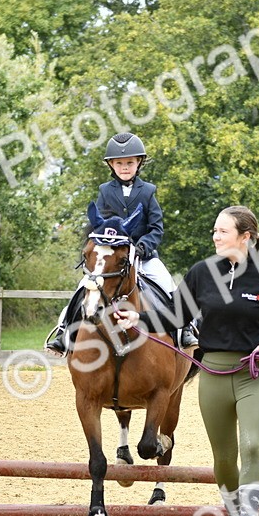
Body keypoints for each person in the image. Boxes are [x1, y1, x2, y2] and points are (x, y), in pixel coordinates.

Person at [115, 206, 259, 516]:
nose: (215, 236)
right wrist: (136, 318)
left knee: (253, 445)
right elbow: (174, 315)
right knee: (225, 457)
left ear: (246, 237)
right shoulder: (201, 273)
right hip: (212, 373)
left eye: (222, 231)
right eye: (214, 230)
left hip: (253, 374)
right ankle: (232, 514)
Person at [45, 132, 198, 355]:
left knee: (168, 285)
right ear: (111, 165)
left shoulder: (148, 191)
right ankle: (64, 332)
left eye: (129, 163)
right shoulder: (105, 191)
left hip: (144, 257)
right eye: (119, 163)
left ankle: (185, 330)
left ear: (138, 163)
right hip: (113, 258)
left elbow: (156, 228)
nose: (124, 167)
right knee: (82, 289)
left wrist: (143, 247)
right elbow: (98, 226)